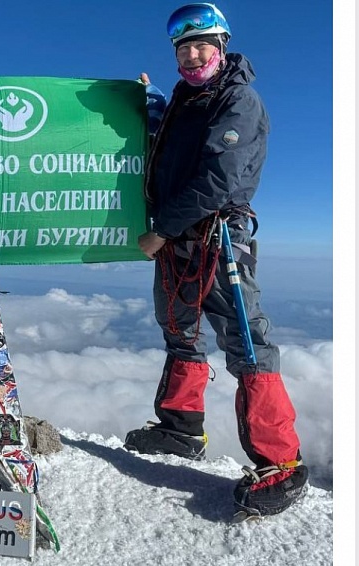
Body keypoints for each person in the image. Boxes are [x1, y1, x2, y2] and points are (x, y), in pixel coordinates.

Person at [123, 3, 308, 517]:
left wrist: (160, 229)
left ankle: (282, 464)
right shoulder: (188, 99)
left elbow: (219, 179)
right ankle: (182, 430)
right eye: (183, 48)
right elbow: (169, 151)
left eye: (203, 44)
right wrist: (153, 104)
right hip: (181, 243)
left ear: (223, 47)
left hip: (217, 237)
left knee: (246, 341)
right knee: (179, 330)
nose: (192, 54)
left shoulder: (238, 100)